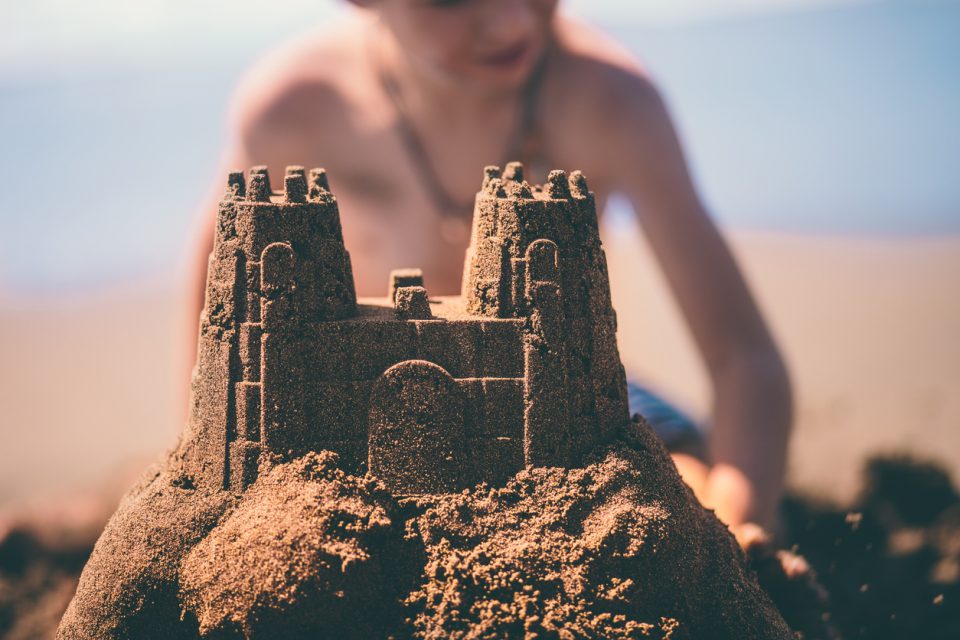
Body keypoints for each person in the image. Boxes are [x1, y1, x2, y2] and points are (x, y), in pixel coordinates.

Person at [188, 0, 792, 533]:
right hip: (359, 401)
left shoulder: (613, 105)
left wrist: (740, 523)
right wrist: (203, 464)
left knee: (672, 484)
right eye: (449, 0)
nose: (510, 20)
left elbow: (744, 359)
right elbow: (218, 316)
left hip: (546, 395)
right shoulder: (295, 107)